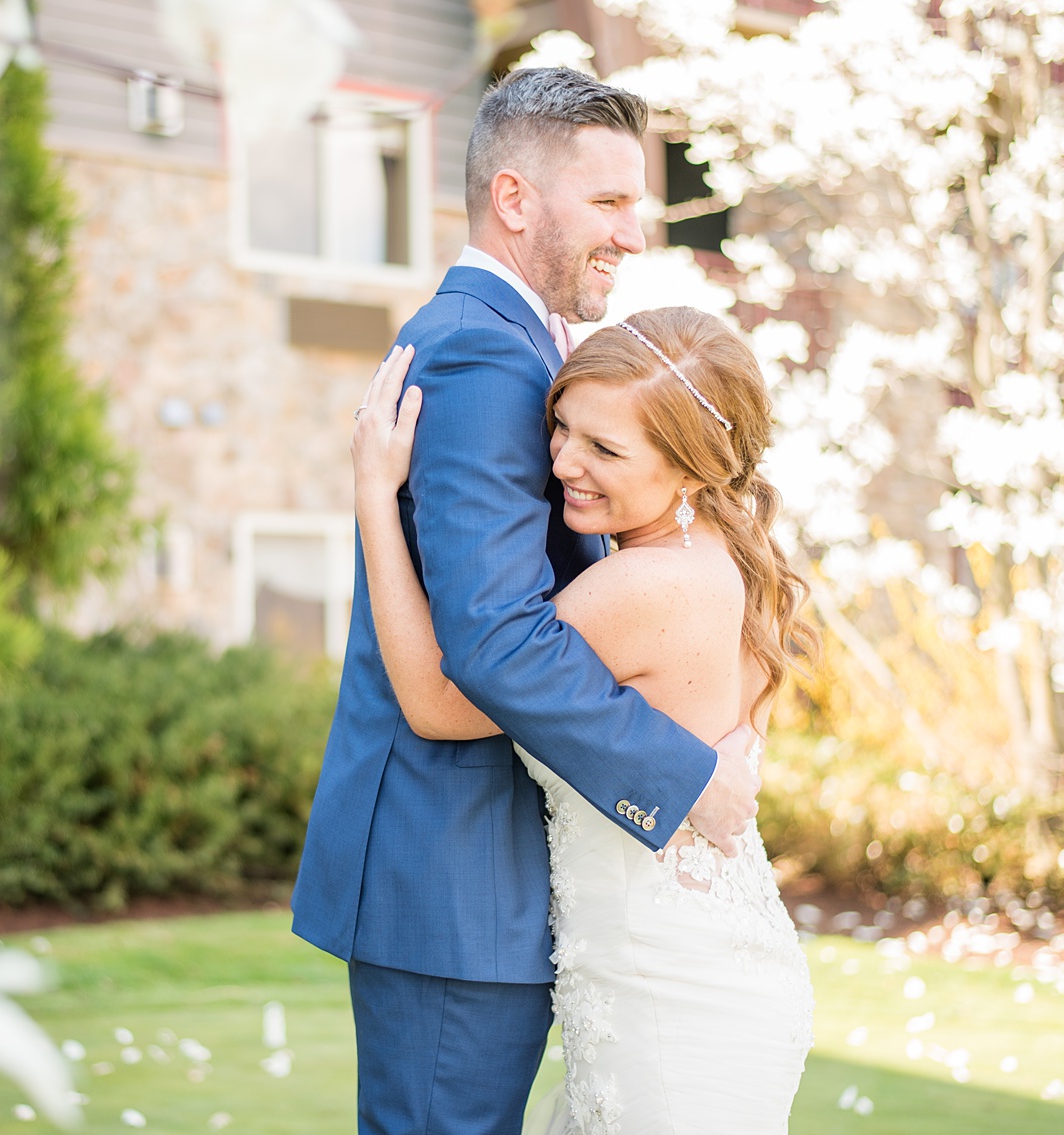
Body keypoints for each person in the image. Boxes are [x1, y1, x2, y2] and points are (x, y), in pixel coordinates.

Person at [289, 68, 762, 1135]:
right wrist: (681, 778)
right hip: (450, 881)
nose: (632, 233)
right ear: (514, 200)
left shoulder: (523, 346)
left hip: (490, 881)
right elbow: (498, 639)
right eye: (606, 202)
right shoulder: (482, 356)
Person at [351, 306, 819, 1133]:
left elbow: (434, 702)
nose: (563, 461)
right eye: (562, 426)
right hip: (717, 968)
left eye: (605, 449)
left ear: (691, 470)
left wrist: (375, 502)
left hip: (665, 1001)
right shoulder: (739, 562)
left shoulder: (641, 587)